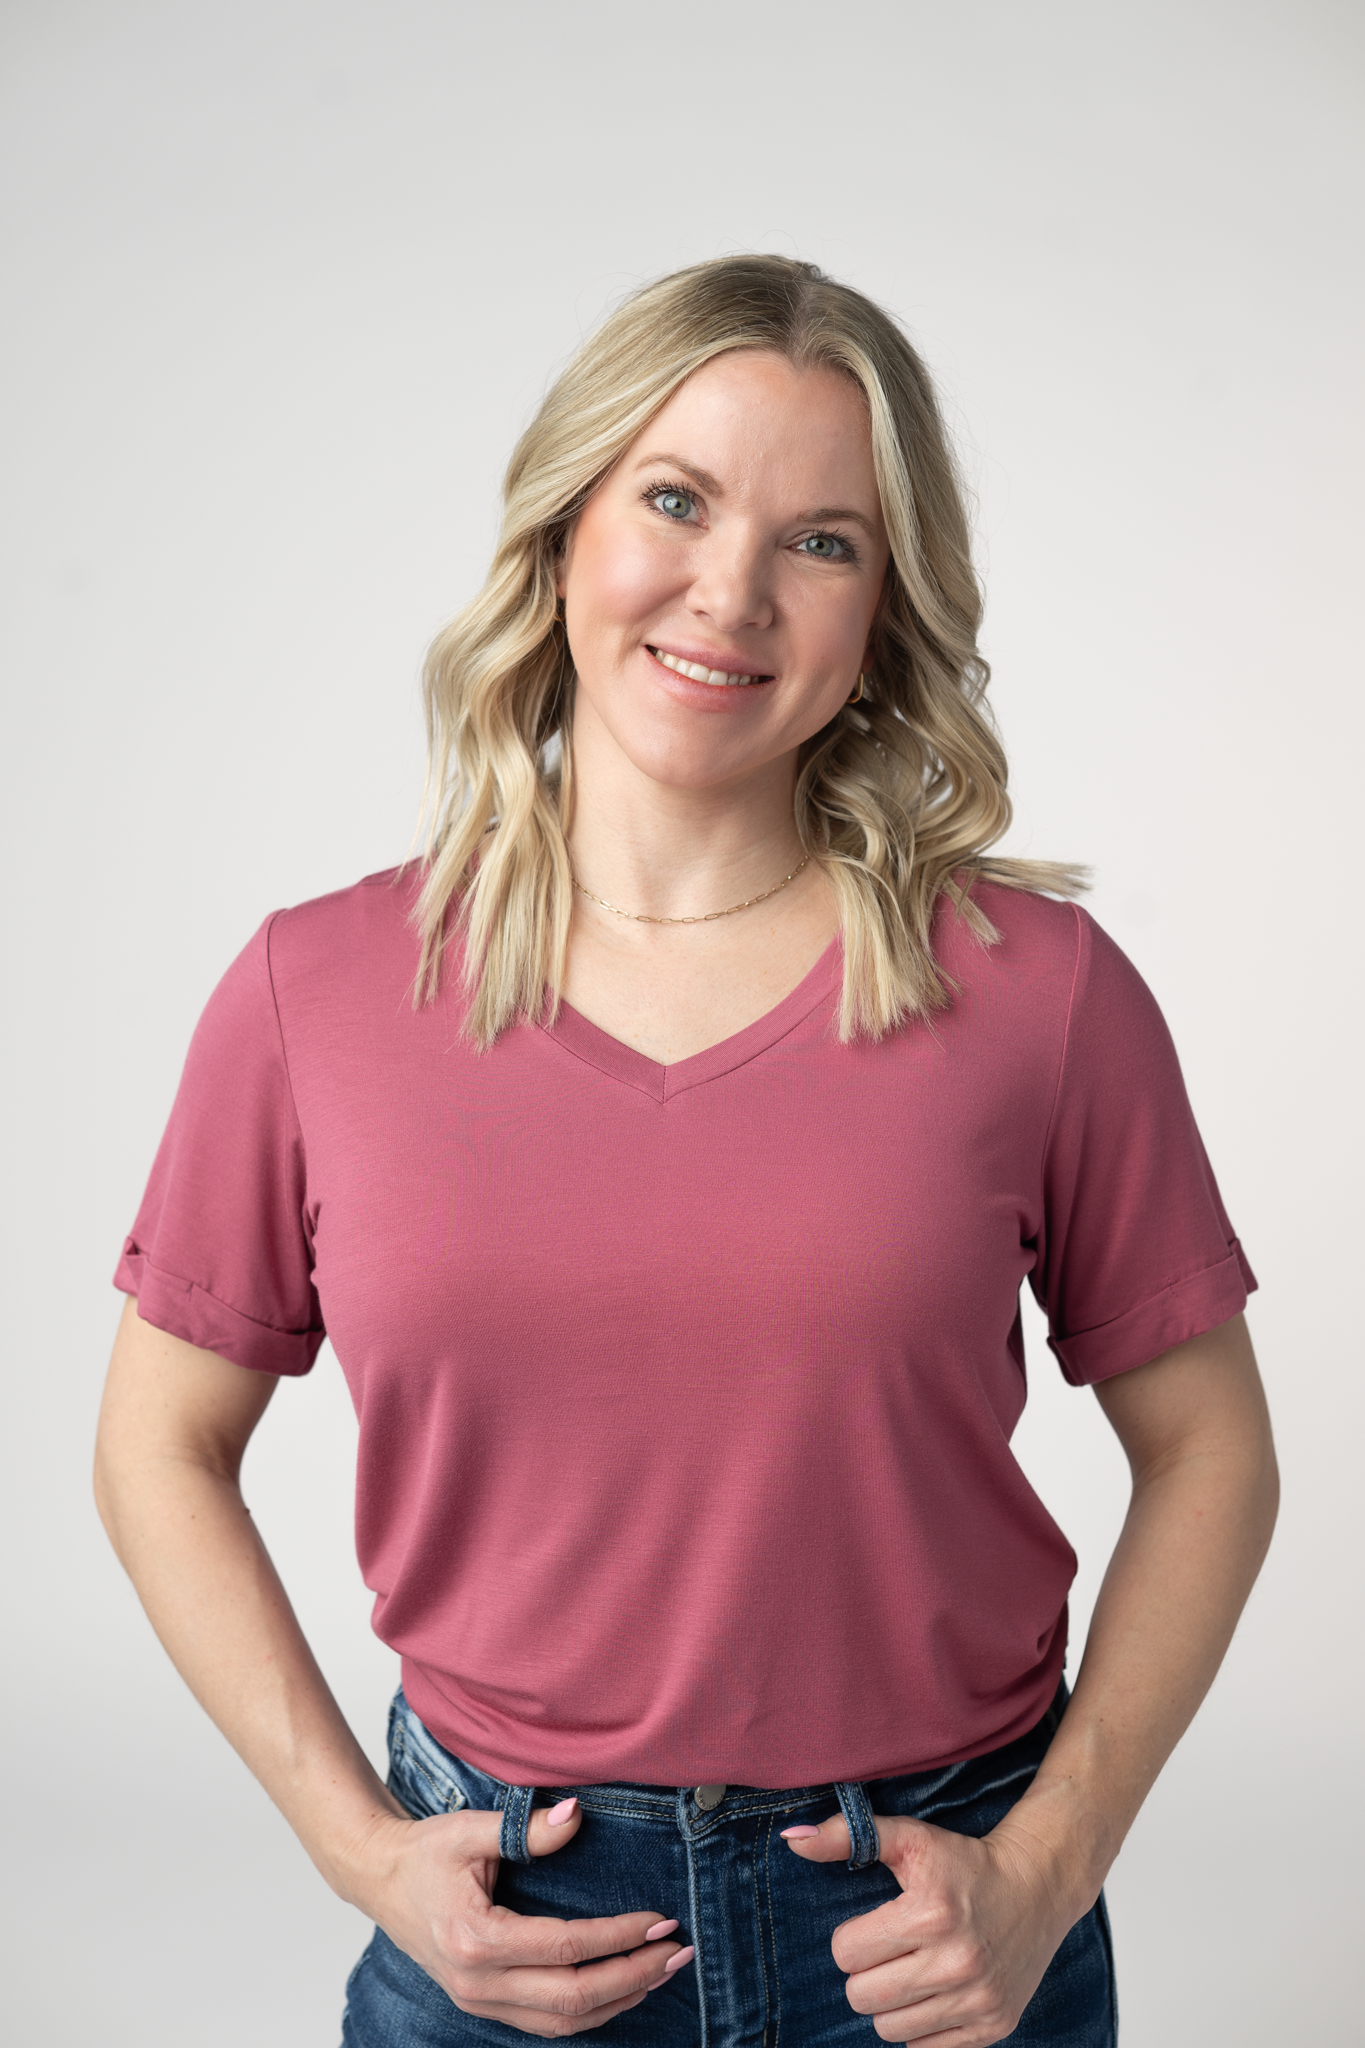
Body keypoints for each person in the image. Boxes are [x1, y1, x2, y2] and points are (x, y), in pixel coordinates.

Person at [94, 255, 1278, 2048]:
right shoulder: (313, 993)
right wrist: (361, 1852)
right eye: (675, 499)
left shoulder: (1039, 995)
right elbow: (156, 1446)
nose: (732, 590)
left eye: (824, 540)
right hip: (508, 1933)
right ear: (565, 525)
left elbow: (1211, 1452)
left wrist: (1049, 1866)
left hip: (935, 1933)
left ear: (884, 607)